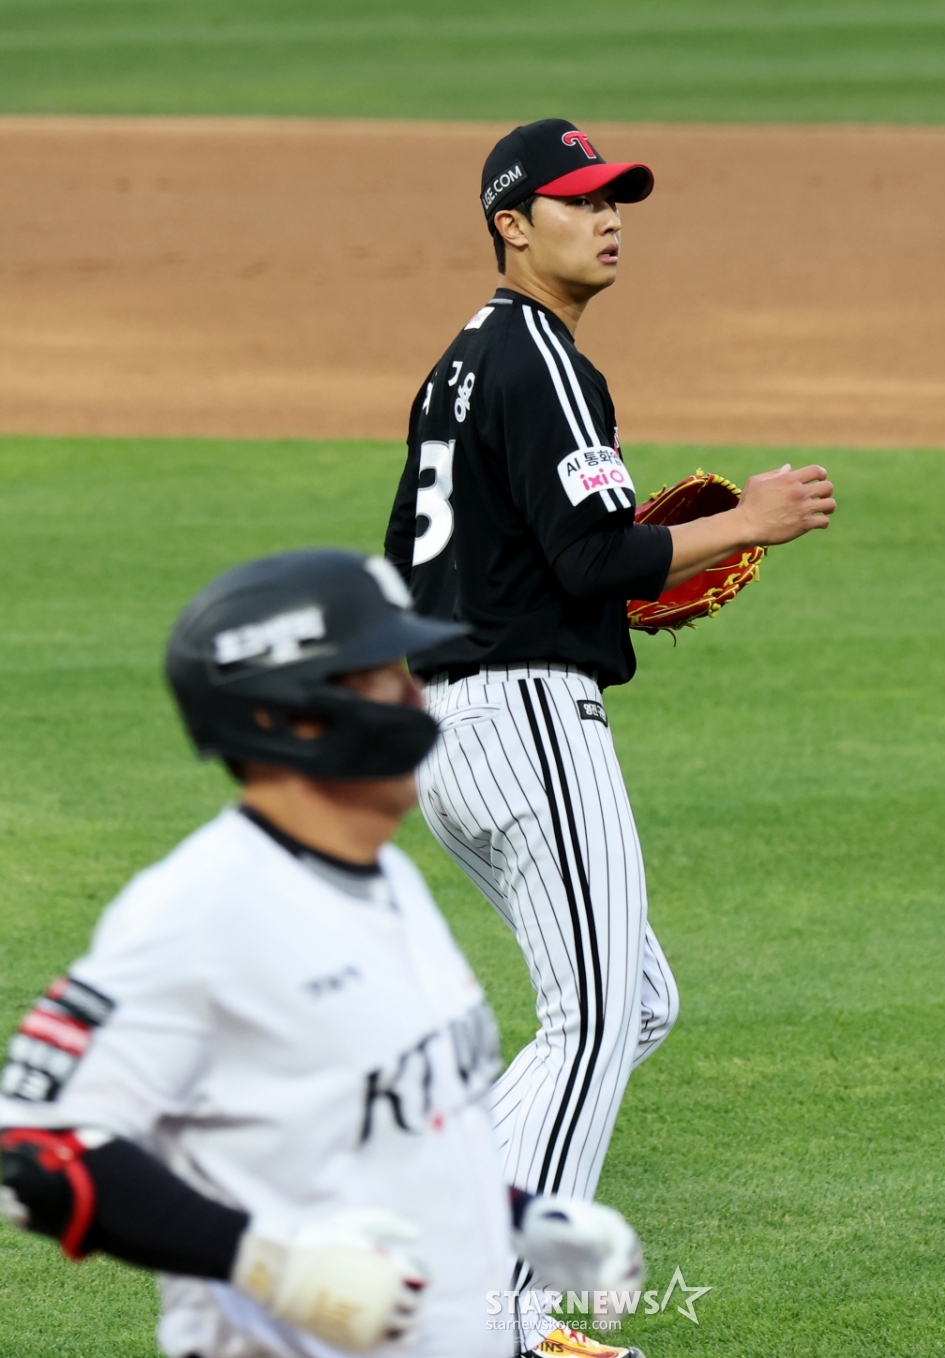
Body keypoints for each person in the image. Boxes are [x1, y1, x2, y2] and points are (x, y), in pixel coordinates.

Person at [384, 119, 835, 1354]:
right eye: (579, 201)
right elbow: (594, 556)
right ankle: (502, 1323)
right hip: (528, 717)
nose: (608, 216)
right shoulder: (544, 361)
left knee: (632, 1000)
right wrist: (751, 519)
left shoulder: (459, 367)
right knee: (589, 1017)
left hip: (456, 727)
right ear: (511, 224)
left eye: (614, 198)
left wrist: (578, 587)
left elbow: (446, 561)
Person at [0, 548, 643, 1358]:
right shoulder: (202, 912)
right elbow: (34, 1151)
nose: (419, 699)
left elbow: (396, 1132)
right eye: (383, 679)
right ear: (293, 716)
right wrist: (274, 1268)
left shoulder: (387, 883)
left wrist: (517, 1216)